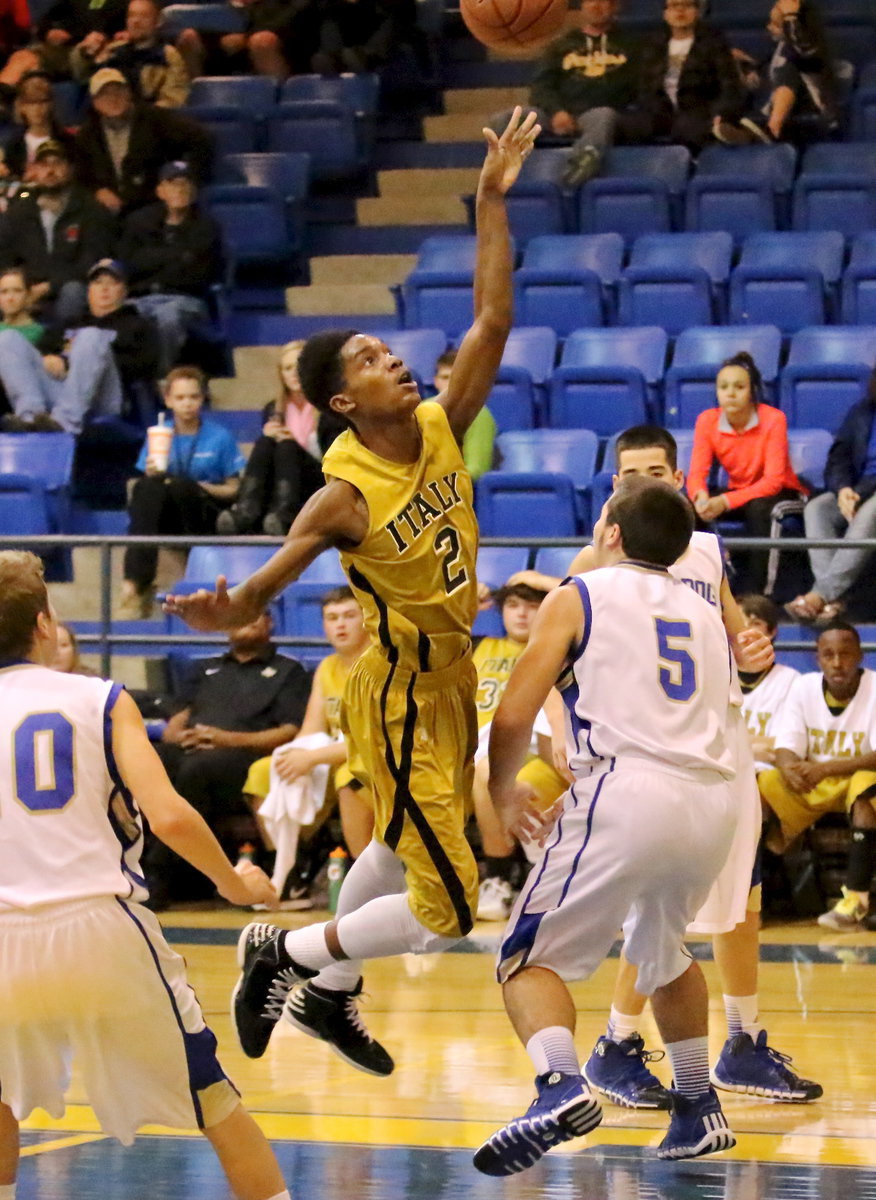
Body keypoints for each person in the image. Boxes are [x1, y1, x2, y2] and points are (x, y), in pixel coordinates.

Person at [163, 109, 539, 1070]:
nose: (396, 360)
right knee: (449, 904)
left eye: (389, 349)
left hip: (453, 679)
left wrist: (492, 198)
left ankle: (328, 994)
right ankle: (280, 950)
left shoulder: (446, 422)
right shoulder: (340, 496)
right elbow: (267, 582)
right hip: (401, 690)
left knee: (390, 858)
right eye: (371, 361)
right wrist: (225, 607)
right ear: (342, 403)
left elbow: (493, 317)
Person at [509, 423, 821, 1108]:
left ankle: (739, 1040)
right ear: (614, 488)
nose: (643, 482)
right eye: (630, 475)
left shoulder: (703, 550)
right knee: (661, 915)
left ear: (679, 479)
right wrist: (559, 731)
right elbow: (556, 664)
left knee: (743, 901)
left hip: (715, 742)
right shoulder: (597, 562)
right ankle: (620, 1043)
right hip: (644, 756)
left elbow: (734, 635)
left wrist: (749, 648)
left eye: (656, 471)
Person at [0, 550, 291, 1200]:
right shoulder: (99, 698)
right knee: (213, 1098)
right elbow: (169, 817)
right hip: (100, 925)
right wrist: (234, 884)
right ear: (45, 624)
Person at [473, 476, 739, 1176]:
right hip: (712, 799)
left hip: (629, 789)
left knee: (524, 960)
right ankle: (697, 1104)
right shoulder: (705, 610)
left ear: (612, 534)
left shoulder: (579, 594)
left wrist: (503, 787)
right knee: (665, 947)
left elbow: (513, 711)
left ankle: (558, 1085)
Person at [146, 609, 312, 909]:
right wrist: (180, 736)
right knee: (152, 760)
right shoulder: (204, 669)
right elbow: (175, 722)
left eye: (255, 615)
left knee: (197, 770)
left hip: (246, 759)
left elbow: (288, 731)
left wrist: (224, 739)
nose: (246, 620)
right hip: (193, 751)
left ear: (270, 624)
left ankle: (157, 877)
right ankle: (141, 867)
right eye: (238, 617)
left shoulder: (289, 671)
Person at [242, 585, 374, 904]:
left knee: (348, 774)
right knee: (265, 771)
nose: (340, 625)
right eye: (331, 618)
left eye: (348, 616)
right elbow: (311, 729)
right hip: (333, 755)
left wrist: (313, 758)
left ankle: (366, 878)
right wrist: (294, 756)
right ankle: (292, 866)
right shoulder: (328, 668)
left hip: (379, 758)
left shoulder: (381, 664)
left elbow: (376, 741)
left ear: (368, 620)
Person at [759, 621, 876, 932]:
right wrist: (786, 767)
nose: (837, 663)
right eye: (829, 655)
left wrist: (823, 768)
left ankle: (856, 901)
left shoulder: (875, 687)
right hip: (814, 780)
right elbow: (786, 745)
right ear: (818, 658)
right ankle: (756, 898)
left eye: (845, 654)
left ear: (860, 656)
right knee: (761, 787)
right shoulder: (804, 687)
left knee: (867, 790)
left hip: (856, 778)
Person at [472, 581, 566, 922]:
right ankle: (504, 874)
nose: (522, 613)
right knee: (483, 766)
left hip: (534, 744)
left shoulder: (555, 650)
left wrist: (526, 578)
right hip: (480, 741)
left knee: (490, 770)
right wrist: (470, 597)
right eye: (513, 605)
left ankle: (503, 875)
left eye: (532, 605)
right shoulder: (480, 646)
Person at [120, 365, 244, 617]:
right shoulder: (159, 434)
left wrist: (201, 487)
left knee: (180, 484)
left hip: (203, 510)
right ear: (168, 400)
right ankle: (134, 583)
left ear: (202, 398)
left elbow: (234, 489)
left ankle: (186, 569)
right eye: (180, 398)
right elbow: (147, 485)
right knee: (146, 485)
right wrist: (152, 472)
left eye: (193, 397)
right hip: (166, 513)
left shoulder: (219, 437)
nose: (187, 404)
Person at [0, 256, 161, 434]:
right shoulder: (70, 322)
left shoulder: (138, 324)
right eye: (98, 283)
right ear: (89, 290)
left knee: (91, 336)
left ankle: (65, 423)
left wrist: (72, 362)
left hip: (103, 398)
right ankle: (29, 418)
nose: (104, 289)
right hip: (61, 393)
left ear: (124, 291)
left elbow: (143, 367)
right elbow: (38, 353)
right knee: (7, 339)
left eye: (112, 283)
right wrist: (49, 358)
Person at [488, 0, 640, 189]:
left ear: (615, 6)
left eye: (603, 1)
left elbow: (637, 87)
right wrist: (557, 112)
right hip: (557, 114)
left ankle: (575, 175)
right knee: (503, 120)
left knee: (604, 116)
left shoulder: (632, 45)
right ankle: (503, 178)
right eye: (589, 1)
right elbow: (541, 86)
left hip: (597, 114)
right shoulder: (561, 45)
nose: (595, 6)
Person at [687, 352, 805, 593]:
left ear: (751, 391)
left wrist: (724, 501)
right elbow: (697, 473)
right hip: (740, 492)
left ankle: (760, 593)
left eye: (739, 387)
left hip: (784, 493)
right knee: (686, 507)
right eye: (723, 387)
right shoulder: (707, 421)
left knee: (760, 508)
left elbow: (773, 482)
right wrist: (700, 497)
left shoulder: (773, 419)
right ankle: (701, 585)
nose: (730, 393)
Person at [218, 341, 347, 537]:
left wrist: (291, 442)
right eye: (287, 368)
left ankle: (286, 516)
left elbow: (336, 461)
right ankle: (245, 511)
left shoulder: (328, 406)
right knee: (265, 441)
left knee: (287, 445)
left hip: (322, 481)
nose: (293, 373)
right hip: (283, 481)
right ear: (281, 374)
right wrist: (271, 436)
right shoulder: (273, 408)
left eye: (298, 366)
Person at [786, 367, 876, 625]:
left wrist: (857, 493)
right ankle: (833, 600)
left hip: (868, 494)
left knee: (872, 510)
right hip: (856, 490)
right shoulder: (861, 412)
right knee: (817, 508)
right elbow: (838, 457)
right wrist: (843, 489)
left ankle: (819, 595)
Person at [119, 160, 224, 374]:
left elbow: (199, 274)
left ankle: (163, 377)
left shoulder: (206, 226)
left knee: (169, 316)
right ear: (160, 191)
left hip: (186, 300)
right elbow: (130, 264)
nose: (180, 189)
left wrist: (152, 260)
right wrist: (178, 256)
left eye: (185, 184)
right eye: (173, 184)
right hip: (141, 298)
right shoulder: (138, 222)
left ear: (193, 191)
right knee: (116, 317)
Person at [0, 138, 115, 326]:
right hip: (27, 288)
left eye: (57, 163)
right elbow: (4, 254)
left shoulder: (90, 209)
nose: (50, 171)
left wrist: (49, 286)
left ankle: (62, 344)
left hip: (69, 287)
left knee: (73, 291)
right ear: (34, 170)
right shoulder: (20, 210)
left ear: (70, 168)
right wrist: (21, 286)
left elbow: (93, 259)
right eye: (43, 164)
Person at [73, 67, 213, 216]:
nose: (113, 98)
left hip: (154, 207)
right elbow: (82, 175)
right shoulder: (87, 135)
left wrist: (187, 180)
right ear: (95, 102)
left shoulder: (157, 120)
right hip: (108, 213)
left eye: (118, 91)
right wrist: (98, 190)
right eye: (104, 94)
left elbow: (201, 139)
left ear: (129, 93)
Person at [630, 1, 747, 152]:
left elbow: (729, 86)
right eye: (674, 6)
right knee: (630, 125)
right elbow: (644, 87)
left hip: (700, 110)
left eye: (686, 5)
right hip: (660, 112)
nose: (680, 11)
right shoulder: (653, 44)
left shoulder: (714, 43)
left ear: (698, 12)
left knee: (686, 126)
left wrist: (722, 113)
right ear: (665, 14)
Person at [71, 0, 191, 108]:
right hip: (104, 120)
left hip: (147, 123)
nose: (136, 21)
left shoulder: (168, 56)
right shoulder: (113, 49)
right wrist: (83, 52)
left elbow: (173, 100)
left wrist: (135, 115)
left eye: (144, 16)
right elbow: (81, 75)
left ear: (158, 21)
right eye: (131, 16)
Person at [175, 0, 321, 81]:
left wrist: (247, 38)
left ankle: (278, 102)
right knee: (188, 38)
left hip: (290, 44)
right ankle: (199, 97)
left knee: (262, 41)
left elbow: (297, 19)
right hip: (240, 36)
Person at [737, 594, 799, 771]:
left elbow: (781, 749)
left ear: (772, 632)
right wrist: (754, 746)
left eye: (755, 624)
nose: (746, 632)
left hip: (764, 775)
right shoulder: (716, 676)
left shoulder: (792, 681)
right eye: (740, 623)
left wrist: (729, 745)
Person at [431, 348, 496, 482]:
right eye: (445, 377)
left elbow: (476, 469)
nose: (450, 384)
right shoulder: (419, 410)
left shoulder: (478, 414)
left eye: (458, 377)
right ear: (435, 381)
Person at [0, 70, 74, 185]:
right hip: (24, 199)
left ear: (51, 104)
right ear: (21, 107)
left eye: (42, 102)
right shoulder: (13, 146)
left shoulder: (68, 142)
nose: (37, 109)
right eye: (31, 103)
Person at [0, 265, 43, 344]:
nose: (10, 298)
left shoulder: (41, 335)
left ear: (28, 295)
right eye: (4, 292)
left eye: (17, 291)